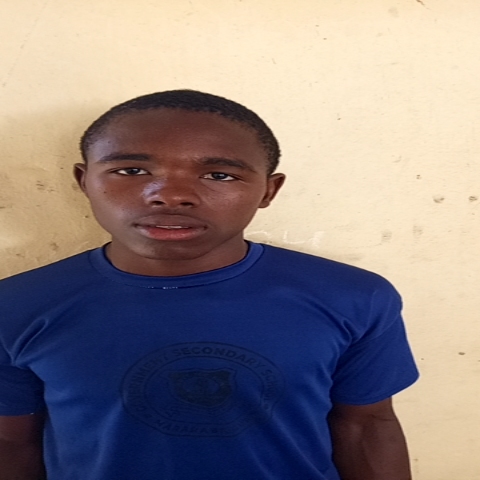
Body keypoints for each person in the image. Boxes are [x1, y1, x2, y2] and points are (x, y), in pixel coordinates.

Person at [0, 90, 418, 480]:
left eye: (219, 175)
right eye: (131, 170)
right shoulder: (17, 305)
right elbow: (11, 443)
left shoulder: (352, 298)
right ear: (84, 180)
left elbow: (367, 426)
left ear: (268, 190)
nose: (169, 195)